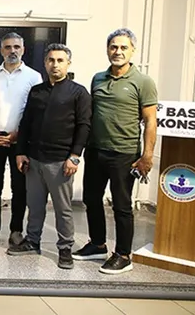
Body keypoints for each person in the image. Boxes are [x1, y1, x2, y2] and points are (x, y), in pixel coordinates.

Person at [74, 28, 158, 275]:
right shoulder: (98, 78)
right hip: (95, 150)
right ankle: (98, 244)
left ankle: (123, 255)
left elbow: (150, 121)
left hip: (125, 154)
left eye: (123, 47)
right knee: (91, 199)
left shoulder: (143, 82)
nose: (118, 51)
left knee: (121, 205)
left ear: (132, 50)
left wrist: (147, 156)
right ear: (107, 49)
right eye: (113, 47)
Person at [8, 44, 91, 270]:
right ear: (45, 63)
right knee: (35, 206)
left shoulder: (78, 93)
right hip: (34, 159)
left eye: (60, 60)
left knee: (63, 209)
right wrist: (21, 152)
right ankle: (32, 241)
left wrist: (75, 156)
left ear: (68, 64)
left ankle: (65, 248)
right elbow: (26, 123)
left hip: (61, 162)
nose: (55, 65)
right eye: (51, 60)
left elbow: (84, 126)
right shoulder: (37, 91)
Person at [0, 32, 42, 249]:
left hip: (20, 143)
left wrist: (19, 134)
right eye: (7, 47)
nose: (12, 51)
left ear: (23, 50)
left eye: (16, 47)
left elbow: (36, 112)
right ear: (1, 51)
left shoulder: (34, 77)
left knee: (20, 188)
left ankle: (16, 231)